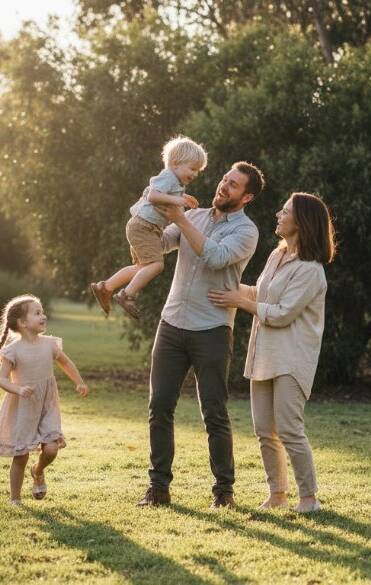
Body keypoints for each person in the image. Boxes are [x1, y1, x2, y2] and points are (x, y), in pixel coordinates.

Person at [137, 161, 265, 509]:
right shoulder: (193, 215)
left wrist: (179, 218)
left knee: (214, 413)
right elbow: (162, 244)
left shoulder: (247, 231)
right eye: (225, 179)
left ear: (247, 196)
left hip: (211, 329)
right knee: (159, 407)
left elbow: (215, 257)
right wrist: (143, 221)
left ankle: (224, 492)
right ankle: (158, 488)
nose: (224, 186)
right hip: (172, 324)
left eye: (234, 185)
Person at [209, 192, 335, 513]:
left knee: (290, 430)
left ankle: (309, 499)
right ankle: (277, 494)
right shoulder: (276, 256)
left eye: (286, 211)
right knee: (265, 431)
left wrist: (241, 303)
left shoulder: (311, 270)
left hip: (292, 359)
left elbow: (282, 313)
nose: (279, 214)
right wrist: (232, 289)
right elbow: (261, 293)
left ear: (301, 222)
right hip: (263, 355)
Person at [0, 294, 89, 506]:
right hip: (23, 406)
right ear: (22, 323)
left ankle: (38, 471)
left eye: (43, 311)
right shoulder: (13, 351)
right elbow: (1, 380)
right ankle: (15, 499)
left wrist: (80, 382)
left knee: (51, 449)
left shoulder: (49, 344)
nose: (43, 316)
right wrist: (18, 389)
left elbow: (65, 362)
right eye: (37, 313)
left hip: (47, 404)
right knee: (21, 456)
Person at [90, 136, 205, 320]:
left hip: (146, 228)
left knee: (142, 267)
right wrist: (178, 200)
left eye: (198, 171)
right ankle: (126, 295)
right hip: (143, 226)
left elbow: (167, 197)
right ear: (175, 163)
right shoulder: (168, 176)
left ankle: (106, 287)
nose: (195, 174)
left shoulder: (176, 183)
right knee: (157, 265)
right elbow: (153, 195)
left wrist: (183, 198)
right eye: (192, 168)